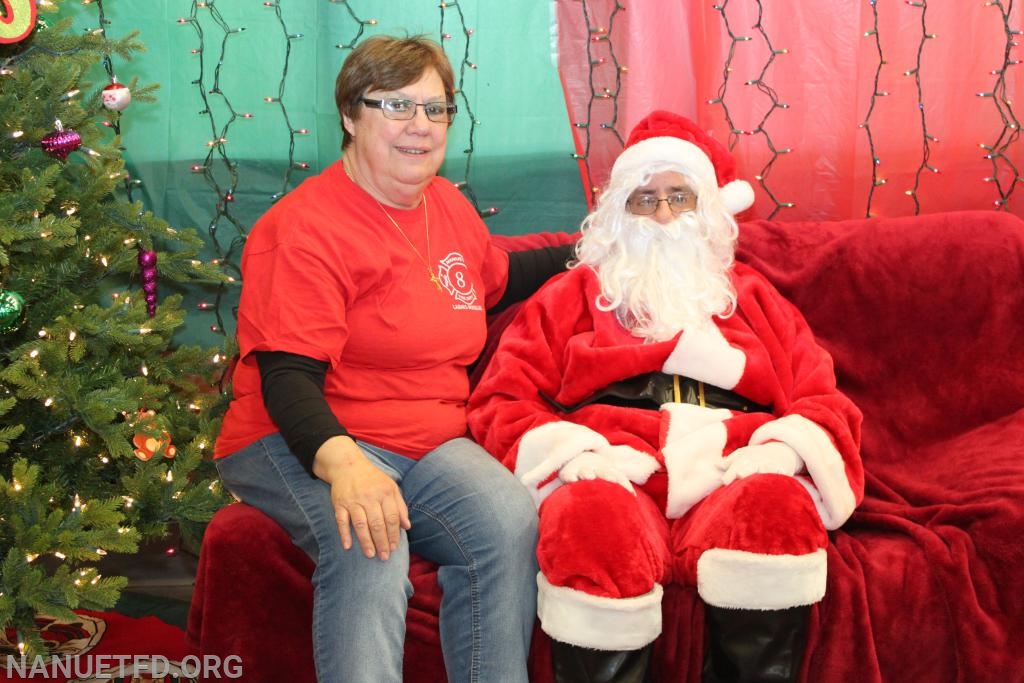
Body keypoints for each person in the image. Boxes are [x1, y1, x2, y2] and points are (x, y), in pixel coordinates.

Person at [212, 35, 573, 683]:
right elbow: (287, 377)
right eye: (397, 106)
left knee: (507, 519)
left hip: (424, 436)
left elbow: (497, 276)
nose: (420, 127)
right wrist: (346, 463)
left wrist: (593, 249)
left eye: (435, 110)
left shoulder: (447, 206)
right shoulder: (306, 228)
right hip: (306, 430)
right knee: (370, 545)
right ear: (351, 116)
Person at [467, 111, 864, 683]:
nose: (663, 215)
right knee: (590, 519)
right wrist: (575, 457)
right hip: (618, 471)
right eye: (644, 199)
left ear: (706, 212)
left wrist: (782, 452)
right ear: (617, 215)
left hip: (734, 470)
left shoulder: (752, 296)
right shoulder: (573, 294)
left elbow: (821, 396)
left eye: (680, 197)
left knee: (775, 510)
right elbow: (500, 400)